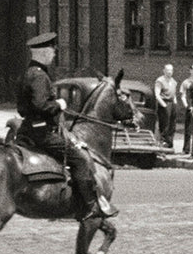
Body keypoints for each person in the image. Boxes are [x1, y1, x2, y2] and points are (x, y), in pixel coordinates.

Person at [15, 32, 117, 220]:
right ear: (44, 52)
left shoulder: (28, 73)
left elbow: (22, 107)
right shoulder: (39, 76)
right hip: (43, 132)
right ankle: (90, 206)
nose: (54, 54)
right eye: (52, 51)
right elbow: (41, 105)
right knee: (80, 159)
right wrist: (59, 105)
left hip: (28, 129)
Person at [154, 63, 178, 151]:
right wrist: (163, 104)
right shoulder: (160, 81)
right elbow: (157, 94)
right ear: (164, 71)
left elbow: (174, 94)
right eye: (168, 70)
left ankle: (170, 142)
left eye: (171, 70)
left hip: (172, 104)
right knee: (165, 124)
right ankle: (163, 142)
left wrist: (175, 102)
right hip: (164, 103)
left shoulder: (174, 81)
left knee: (172, 124)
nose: (169, 72)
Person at [179, 63, 193, 153]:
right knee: (188, 129)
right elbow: (183, 96)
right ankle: (186, 148)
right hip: (190, 108)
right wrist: (187, 106)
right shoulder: (186, 82)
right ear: (191, 71)